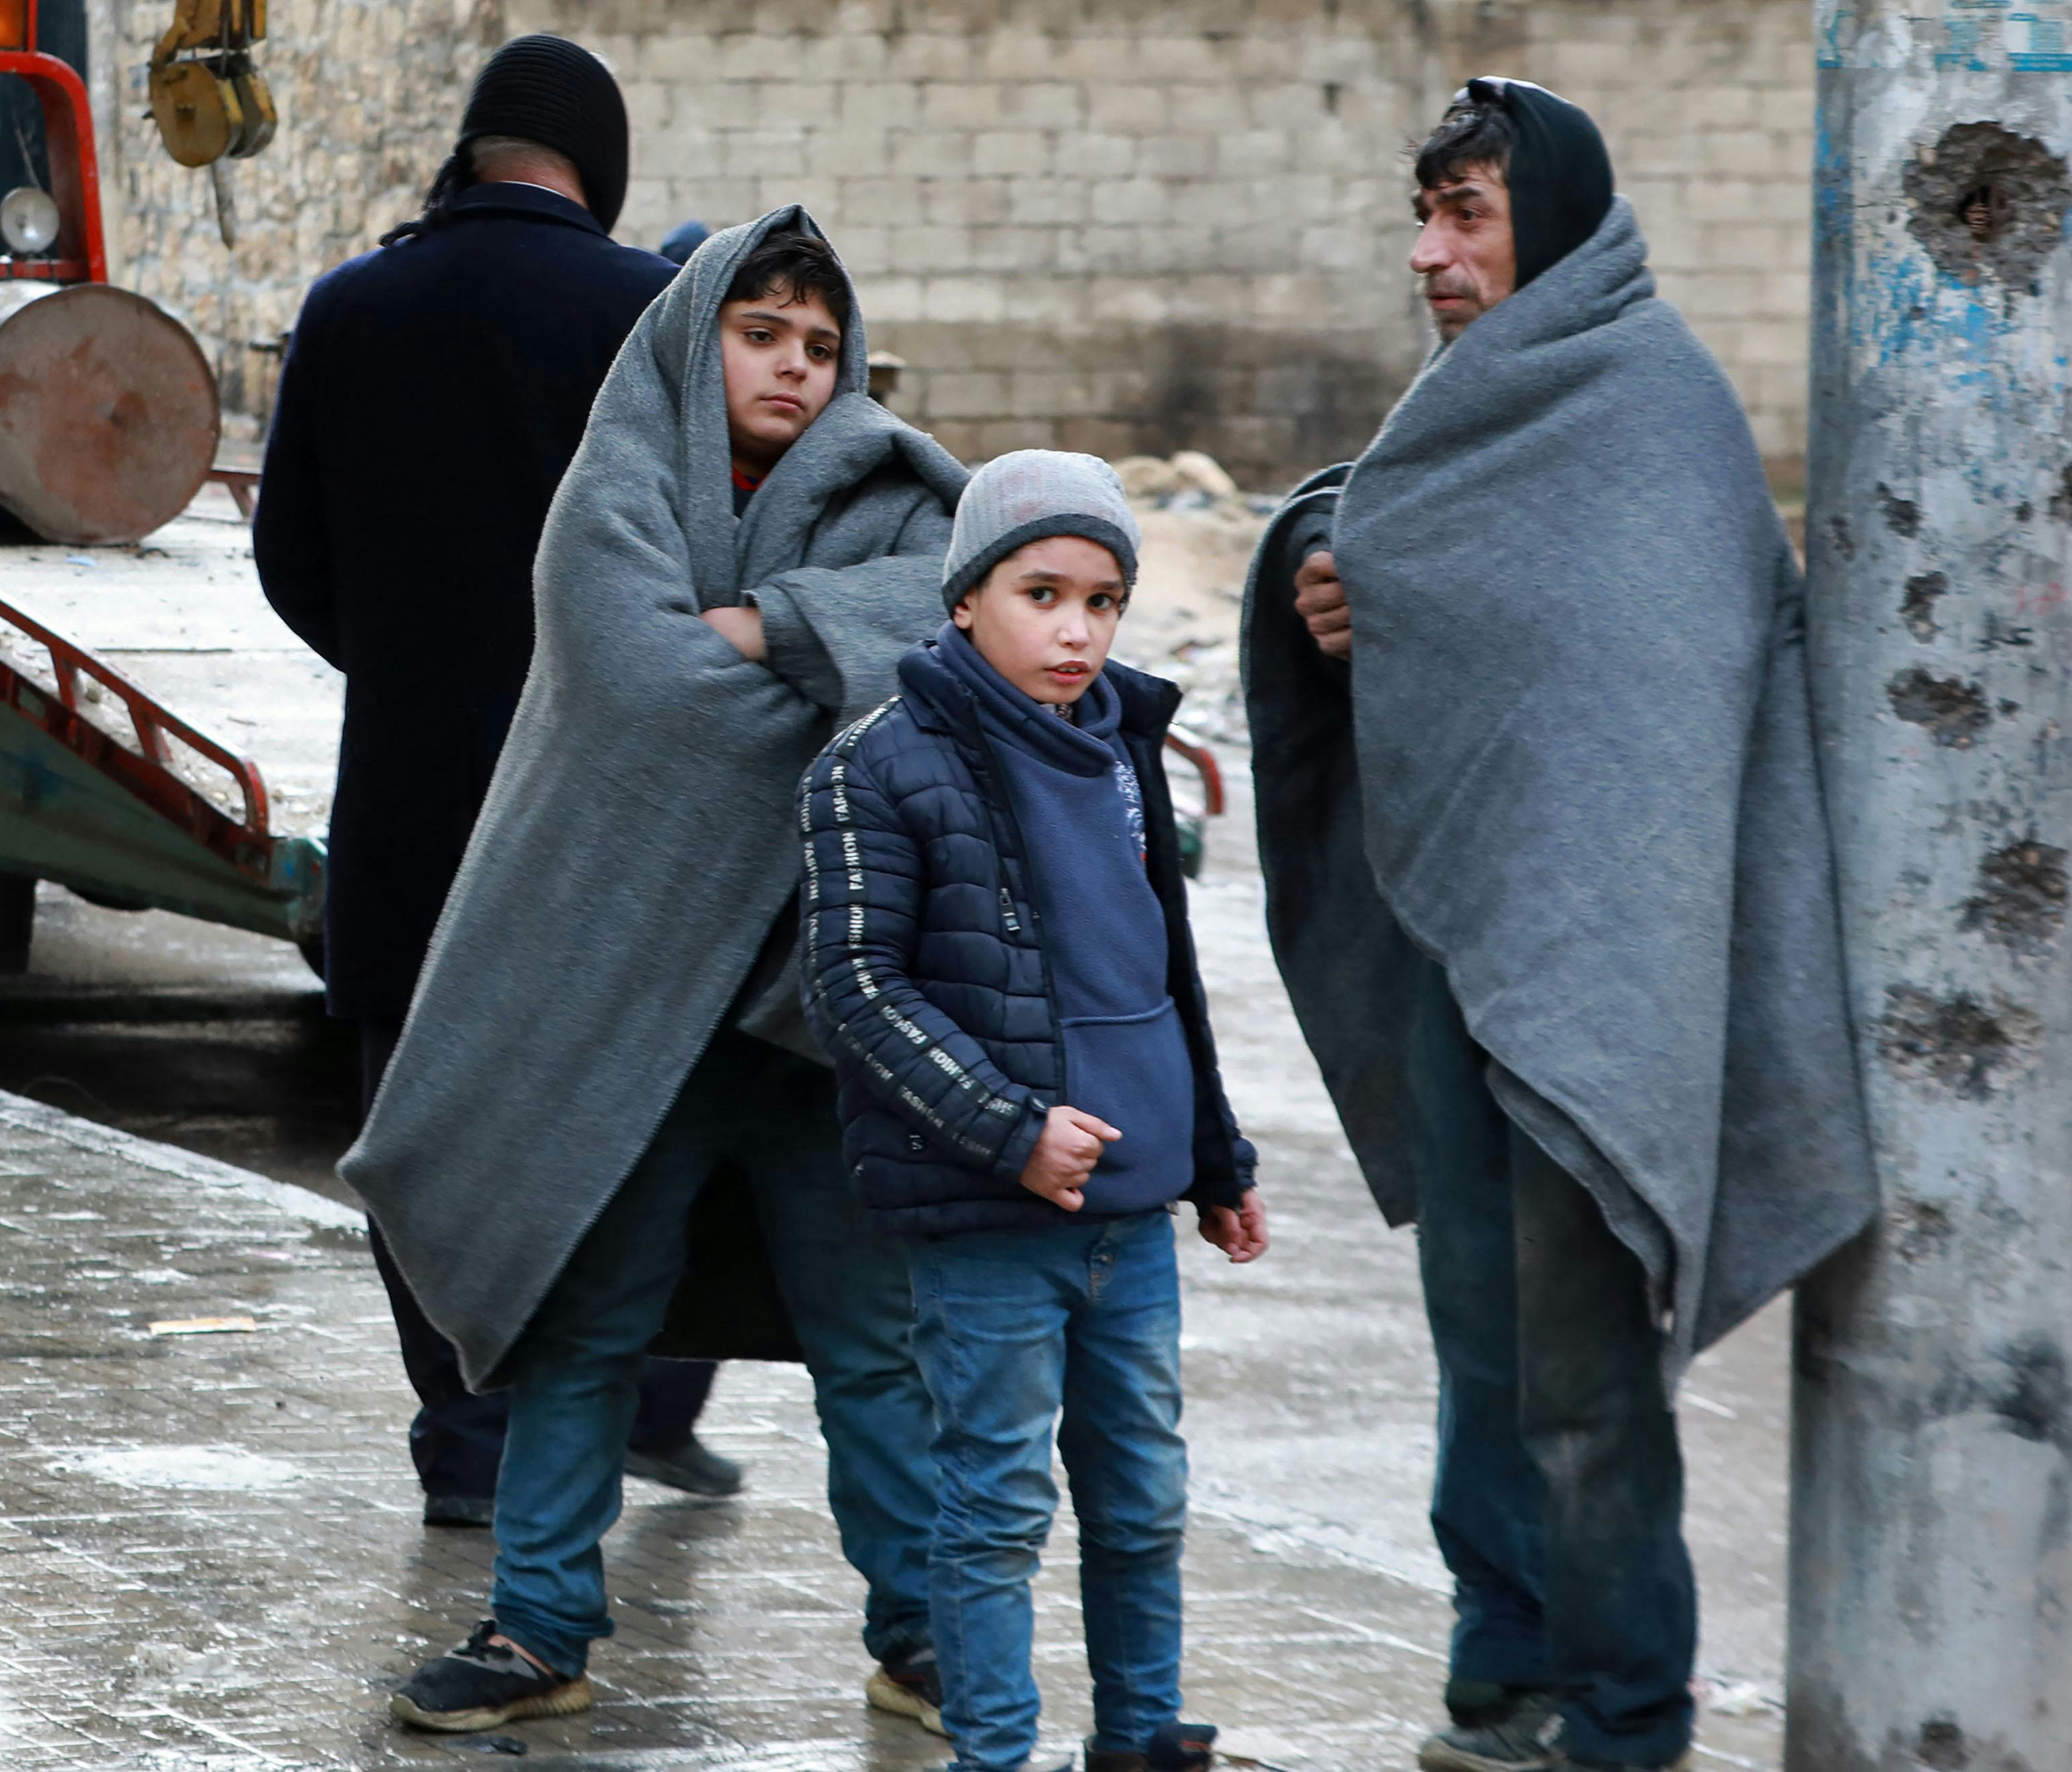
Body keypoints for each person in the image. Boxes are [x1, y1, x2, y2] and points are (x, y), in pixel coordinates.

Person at [1238, 80, 1875, 1772]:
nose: (1429, 254)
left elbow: (1667, 672)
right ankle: (1494, 1665)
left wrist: (1384, 580)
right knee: (1475, 1337)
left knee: (1585, 1373)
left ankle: (1623, 1708)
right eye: (1424, 214)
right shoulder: (1466, 396)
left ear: (1557, 219)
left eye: (1466, 215)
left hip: (1604, 959)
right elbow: (1391, 545)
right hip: (1459, 944)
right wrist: (1321, 566)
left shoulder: (1653, 403)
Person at [343, 209, 966, 1736]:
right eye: (762, 334)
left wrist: (782, 621)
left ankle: (925, 1631)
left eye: (821, 345)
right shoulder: (614, 490)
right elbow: (636, 692)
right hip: (627, 1003)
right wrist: (828, 676)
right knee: (584, 1317)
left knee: (869, 1343)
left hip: (816, 1012)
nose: (796, 369)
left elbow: (957, 639)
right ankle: (540, 1625)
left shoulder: (897, 491)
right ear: (703, 342)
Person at [252, 33, 739, 1530]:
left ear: (472, 148)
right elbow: (705, 557)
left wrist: (404, 662)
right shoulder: (643, 312)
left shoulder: (350, 306)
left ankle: (466, 1435)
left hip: (407, 796)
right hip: (601, 799)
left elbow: (290, 558)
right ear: (598, 165)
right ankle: (622, 1405)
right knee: (629, 1104)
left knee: (419, 1116)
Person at [799, 451, 1262, 1772]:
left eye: (1102, 600)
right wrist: (1009, 1129)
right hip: (989, 1212)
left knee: (1142, 1498)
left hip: (1132, 1217)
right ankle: (989, 1753)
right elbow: (852, 986)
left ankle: (1139, 1739)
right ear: (962, 599)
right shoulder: (875, 765)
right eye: (1038, 591)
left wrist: (1213, 1158)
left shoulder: (1124, 746)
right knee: (995, 1504)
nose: (1074, 629)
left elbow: (1158, 973)